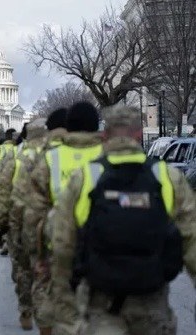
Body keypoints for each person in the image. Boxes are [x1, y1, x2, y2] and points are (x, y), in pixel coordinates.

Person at [50, 105, 196, 335]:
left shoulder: (85, 177)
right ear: (139, 135)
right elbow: (192, 240)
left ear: (105, 136)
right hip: (152, 301)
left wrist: (65, 307)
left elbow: (61, 244)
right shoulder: (167, 177)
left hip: (101, 303)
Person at [23, 102, 103, 335]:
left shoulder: (51, 158)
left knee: (65, 313)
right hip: (103, 247)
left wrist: (36, 254)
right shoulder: (108, 156)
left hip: (60, 245)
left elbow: (34, 212)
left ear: (68, 128)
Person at [0, 118, 48, 330]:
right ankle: (44, 315)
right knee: (44, 272)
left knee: (24, 270)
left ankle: (26, 310)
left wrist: (1, 224)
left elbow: (6, 192)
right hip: (48, 225)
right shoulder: (51, 158)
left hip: (23, 223)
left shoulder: (17, 159)